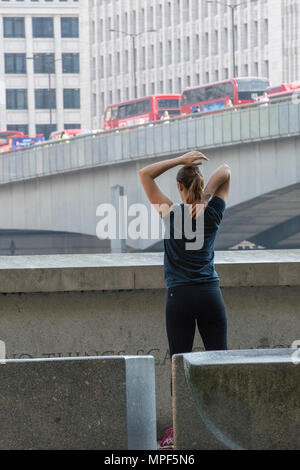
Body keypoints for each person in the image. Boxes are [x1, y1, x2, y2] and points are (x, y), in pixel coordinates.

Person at [139, 151, 231, 449]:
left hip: (179, 296)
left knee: (180, 364)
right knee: (219, 361)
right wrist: (204, 197)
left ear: (179, 187)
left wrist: (180, 159)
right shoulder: (212, 211)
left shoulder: (171, 212)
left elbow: (145, 174)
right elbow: (226, 171)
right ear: (200, 185)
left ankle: (178, 432)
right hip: (209, 293)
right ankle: (224, 431)